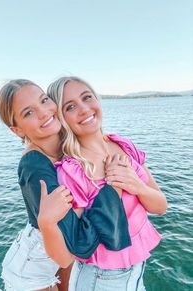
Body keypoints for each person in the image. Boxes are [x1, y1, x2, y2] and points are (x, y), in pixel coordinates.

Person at [0, 79, 131, 291]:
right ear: (17, 130)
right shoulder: (34, 168)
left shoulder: (67, 141)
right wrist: (114, 186)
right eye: (28, 113)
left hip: (58, 263)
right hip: (32, 270)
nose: (43, 112)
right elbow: (78, 246)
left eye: (44, 100)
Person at [46, 76, 168, 291]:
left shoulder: (123, 146)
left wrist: (136, 185)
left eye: (87, 97)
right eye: (70, 107)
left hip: (136, 266)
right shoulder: (72, 171)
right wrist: (114, 190)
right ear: (61, 118)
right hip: (102, 277)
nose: (84, 109)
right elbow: (79, 241)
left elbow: (160, 206)